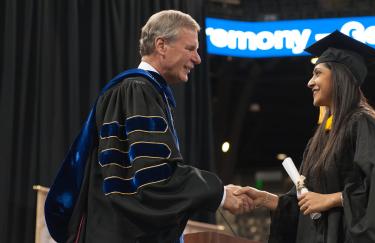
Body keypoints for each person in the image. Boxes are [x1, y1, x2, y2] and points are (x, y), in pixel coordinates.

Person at [45, 10, 252, 243]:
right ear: (161, 45)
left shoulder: (145, 92)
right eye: (190, 48)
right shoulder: (137, 90)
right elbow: (154, 178)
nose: (197, 59)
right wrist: (220, 194)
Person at [235, 30, 375, 243]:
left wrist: (331, 200)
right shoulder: (322, 137)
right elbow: (307, 203)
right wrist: (266, 199)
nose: (310, 82)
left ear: (339, 76)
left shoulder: (365, 125)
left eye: (317, 73)